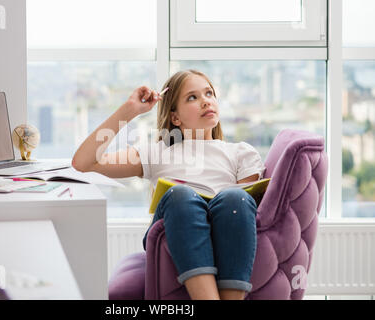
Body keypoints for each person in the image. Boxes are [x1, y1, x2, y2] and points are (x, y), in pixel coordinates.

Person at [72, 69, 265, 300]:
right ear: (175, 117)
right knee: (181, 194)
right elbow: (84, 162)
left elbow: (246, 214)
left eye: (209, 93)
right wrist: (129, 110)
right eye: (192, 97)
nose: (205, 101)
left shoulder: (241, 152)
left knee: (236, 198)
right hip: (177, 218)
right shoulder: (158, 152)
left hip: (224, 225)